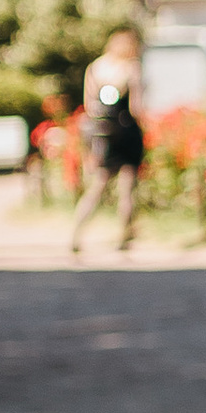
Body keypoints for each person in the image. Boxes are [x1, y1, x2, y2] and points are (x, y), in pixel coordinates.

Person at [69, 31, 146, 256]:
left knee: (97, 187)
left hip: (103, 132)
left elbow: (89, 105)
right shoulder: (131, 68)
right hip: (126, 129)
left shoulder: (95, 68)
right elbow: (136, 108)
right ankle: (123, 236)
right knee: (127, 188)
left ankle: (76, 234)